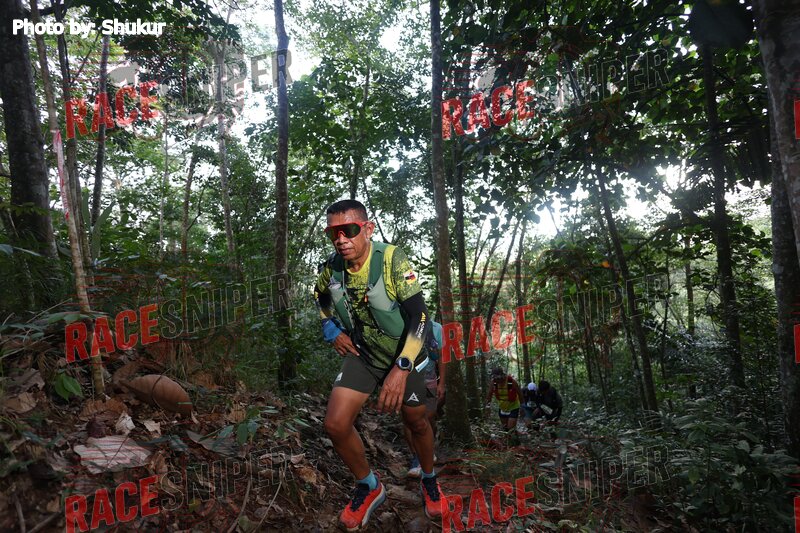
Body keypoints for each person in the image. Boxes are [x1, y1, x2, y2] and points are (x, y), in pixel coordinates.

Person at [314, 199, 445, 530]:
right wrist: (331, 329)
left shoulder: (390, 259)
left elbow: (420, 316)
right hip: (365, 355)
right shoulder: (331, 268)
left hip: (406, 355)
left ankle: (430, 479)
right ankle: (369, 486)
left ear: (368, 229)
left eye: (349, 230)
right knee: (335, 424)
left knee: (416, 422)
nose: (341, 239)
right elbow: (321, 298)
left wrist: (401, 368)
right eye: (333, 233)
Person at [404, 321, 445, 477]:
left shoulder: (436, 328)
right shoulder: (404, 323)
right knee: (409, 418)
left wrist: (442, 383)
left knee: (429, 416)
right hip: (407, 377)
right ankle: (416, 458)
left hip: (430, 378)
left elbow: (442, 357)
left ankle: (428, 449)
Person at [485, 367, 522, 431]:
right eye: (495, 378)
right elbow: (489, 394)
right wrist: (487, 406)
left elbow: (520, 393)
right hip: (502, 407)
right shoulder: (493, 383)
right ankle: (513, 435)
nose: (497, 380)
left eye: (498, 378)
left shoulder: (511, 381)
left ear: (502, 376)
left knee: (510, 428)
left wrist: (522, 407)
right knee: (505, 428)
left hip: (513, 406)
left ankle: (514, 435)